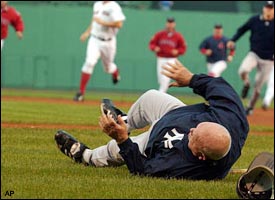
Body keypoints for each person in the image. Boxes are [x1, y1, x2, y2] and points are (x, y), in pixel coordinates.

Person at [54, 59, 249, 181]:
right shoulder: (231, 119)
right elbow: (221, 89)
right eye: (197, 127)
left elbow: (142, 170)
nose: (191, 129)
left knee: (116, 150)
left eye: (193, 135)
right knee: (151, 97)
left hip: (154, 142)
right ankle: (124, 121)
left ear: (200, 156)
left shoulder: (182, 166)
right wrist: (191, 79)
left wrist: (123, 140)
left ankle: (84, 156)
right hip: (176, 113)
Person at [227, 1, 274, 115]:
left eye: (271, 8)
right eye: (267, 7)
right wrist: (233, 40)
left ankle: (250, 107)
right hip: (254, 54)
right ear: (263, 8)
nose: (269, 10)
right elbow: (242, 29)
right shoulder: (255, 20)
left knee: (258, 87)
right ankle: (246, 83)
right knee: (243, 70)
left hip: (268, 60)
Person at [73, 1, 126, 102]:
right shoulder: (97, 4)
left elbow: (119, 24)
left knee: (108, 68)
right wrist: (87, 32)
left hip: (108, 42)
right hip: (94, 39)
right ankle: (81, 93)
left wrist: (103, 23)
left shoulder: (114, 6)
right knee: (89, 62)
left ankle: (115, 72)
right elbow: (94, 21)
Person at [149, 17, 187, 93]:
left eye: (171, 23)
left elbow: (183, 48)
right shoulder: (160, 34)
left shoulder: (178, 36)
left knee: (166, 79)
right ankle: (162, 95)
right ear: (166, 23)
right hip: (161, 58)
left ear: (174, 24)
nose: (170, 24)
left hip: (171, 59)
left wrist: (177, 51)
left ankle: (160, 96)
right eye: (169, 22)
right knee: (161, 80)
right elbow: (151, 44)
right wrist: (155, 48)